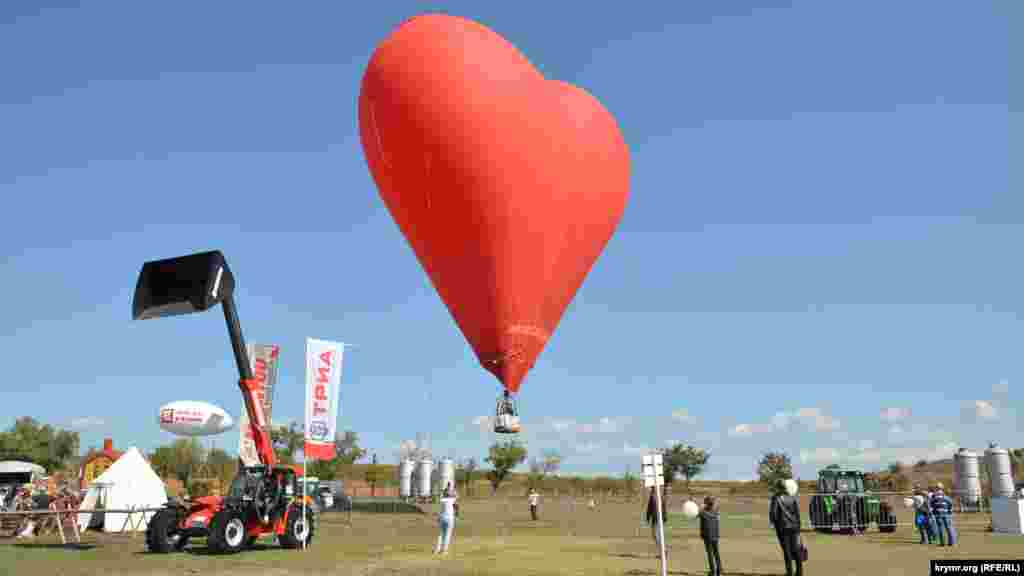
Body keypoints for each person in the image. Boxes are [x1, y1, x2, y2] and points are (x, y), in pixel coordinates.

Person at [769, 479, 803, 576]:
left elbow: (773, 513)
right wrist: (798, 525)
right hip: (794, 526)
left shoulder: (776, 498)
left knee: (787, 551)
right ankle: (799, 572)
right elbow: (797, 513)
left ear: (778, 487)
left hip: (782, 528)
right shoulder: (792, 497)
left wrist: (774, 523)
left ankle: (789, 572)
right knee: (796, 550)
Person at [700, 495, 722, 576]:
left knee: (710, 554)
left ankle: (712, 571)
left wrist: (701, 507)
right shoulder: (716, 512)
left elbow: (695, 515)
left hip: (707, 536)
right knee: (716, 553)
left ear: (706, 503)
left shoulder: (703, 513)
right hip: (715, 535)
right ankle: (719, 570)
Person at [434, 484, 457, 555]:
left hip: (442, 517)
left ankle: (437, 549)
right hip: (450, 518)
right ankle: (444, 550)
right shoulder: (452, 500)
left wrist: (444, 490)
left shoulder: (442, 500)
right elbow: (457, 496)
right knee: (447, 535)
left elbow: (439, 509)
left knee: (441, 534)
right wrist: (452, 489)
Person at [645, 486, 667, 559]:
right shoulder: (661, 496)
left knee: (656, 536)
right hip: (660, 519)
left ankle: (663, 551)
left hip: (656, 519)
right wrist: (665, 518)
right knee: (658, 536)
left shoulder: (653, 497)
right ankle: (663, 552)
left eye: (651, 488)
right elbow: (664, 508)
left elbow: (649, 508)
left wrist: (648, 518)